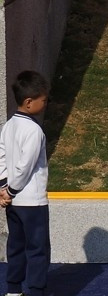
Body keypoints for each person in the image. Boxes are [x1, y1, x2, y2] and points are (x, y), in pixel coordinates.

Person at [0, 70, 50, 296]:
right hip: (32, 201)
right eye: (43, 100)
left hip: (12, 201)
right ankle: (36, 290)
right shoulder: (33, 130)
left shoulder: (9, 125)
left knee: (16, 245)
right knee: (38, 248)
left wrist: (3, 188)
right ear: (29, 102)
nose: (45, 104)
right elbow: (25, 165)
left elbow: (1, 157)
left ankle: (13, 289)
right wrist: (10, 190)